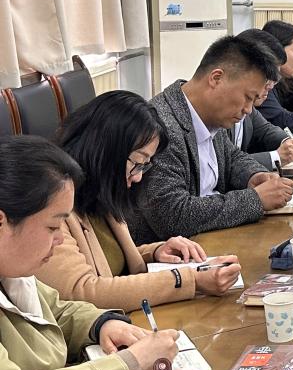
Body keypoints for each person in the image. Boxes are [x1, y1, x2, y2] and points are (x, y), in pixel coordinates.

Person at [0, 135, 180, 370]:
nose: (60, 239)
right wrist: (130, 365)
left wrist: (101, 324)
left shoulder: (13, 269)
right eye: (52, 226)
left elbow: (56, 311)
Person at [35, 91, 242, 311]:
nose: (138, 176)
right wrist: (189, 279)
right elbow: (82, 292)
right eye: (137, 163)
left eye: (145, 165)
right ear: (107, 151)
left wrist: (155, 253)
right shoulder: (52, 204)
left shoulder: (99, 192)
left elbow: (110, 261)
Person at [128, 35, 293, 244]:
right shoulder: (162, 127)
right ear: (216, 78)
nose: (248, 109)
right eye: (247, 97)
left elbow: (231, 157)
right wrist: (255, 199)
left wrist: (254, 175)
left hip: (212, 241)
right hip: (175, 252)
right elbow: (171, 215)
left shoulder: (210, 115)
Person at [234, 29, 293, 169]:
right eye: (268, 78)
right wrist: (276, 156)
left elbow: (266, 130)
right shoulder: (222, 107)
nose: (271, 85)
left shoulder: (250, 107)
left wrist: (290, 141)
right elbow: (227, 163)